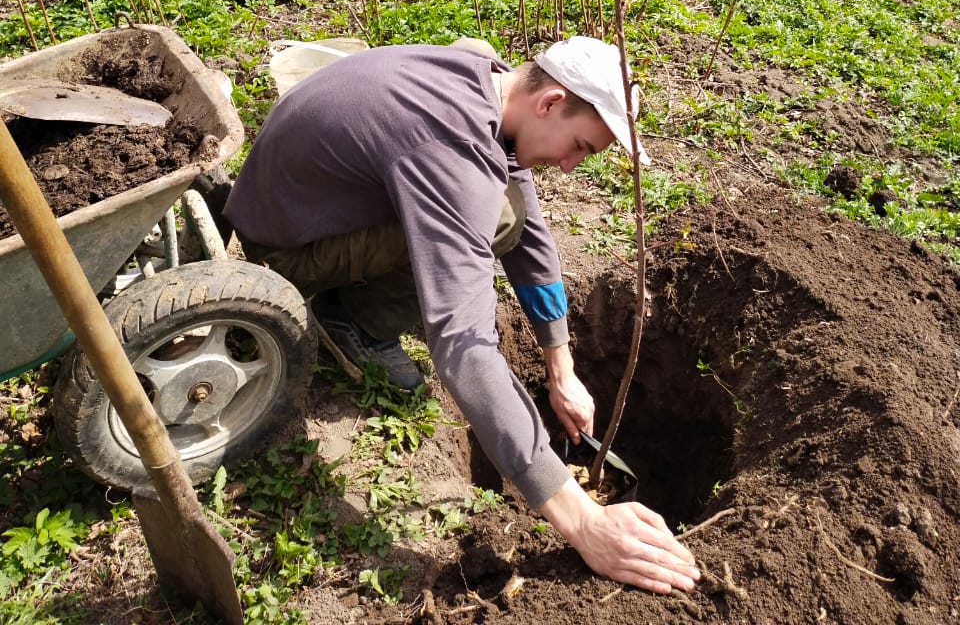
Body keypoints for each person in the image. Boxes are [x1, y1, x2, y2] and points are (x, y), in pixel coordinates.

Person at [224, 35, 700, 595]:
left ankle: (348, 302)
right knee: (491, 218)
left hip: (306, 204)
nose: (570, 166)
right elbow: (463, 344)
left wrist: (559, 362)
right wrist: (580, 517)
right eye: (580, 146)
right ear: (550, 102)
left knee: (506, 211)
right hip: (283, 252)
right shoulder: (449, 150)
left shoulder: (484, 77)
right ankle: (352, 322)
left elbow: (531, 225)